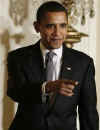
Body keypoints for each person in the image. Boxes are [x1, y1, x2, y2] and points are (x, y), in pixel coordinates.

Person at [7, 1, 99, 130]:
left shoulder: (83, 63)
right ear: (37, 27)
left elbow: (88, 113)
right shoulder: (18, 58)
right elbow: (15, 92)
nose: (57, 33)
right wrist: (47, 87)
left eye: (62, 26)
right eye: (50, 26)